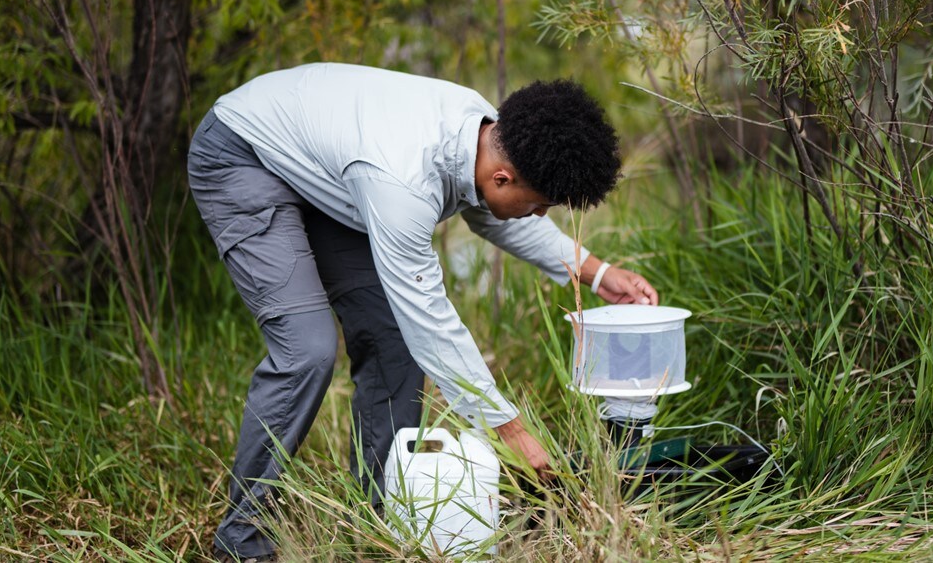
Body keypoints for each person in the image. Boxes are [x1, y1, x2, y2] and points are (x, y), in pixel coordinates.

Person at [187, 63, 658, 561]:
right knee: (308, 349)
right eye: (539, 205)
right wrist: (508, 429)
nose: (538, 214)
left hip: (330, 167)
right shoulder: (404, 183)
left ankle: (379, 517)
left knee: (393, 341)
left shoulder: (484, 134)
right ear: (504, 176)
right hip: (242, 153)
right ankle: (241, 540)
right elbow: (428, 319)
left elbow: (499, 213)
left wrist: (600, 274)